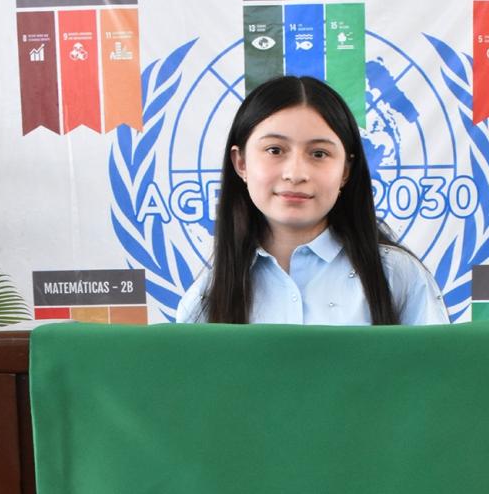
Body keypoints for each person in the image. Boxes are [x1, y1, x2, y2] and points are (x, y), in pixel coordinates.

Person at [176, 75, 448, 326]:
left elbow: (436, 364)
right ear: (241, 163)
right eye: (275, 150)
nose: (296, 174)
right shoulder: (207, 296)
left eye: (319, 154)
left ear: (345, 170)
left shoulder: (398, 276)